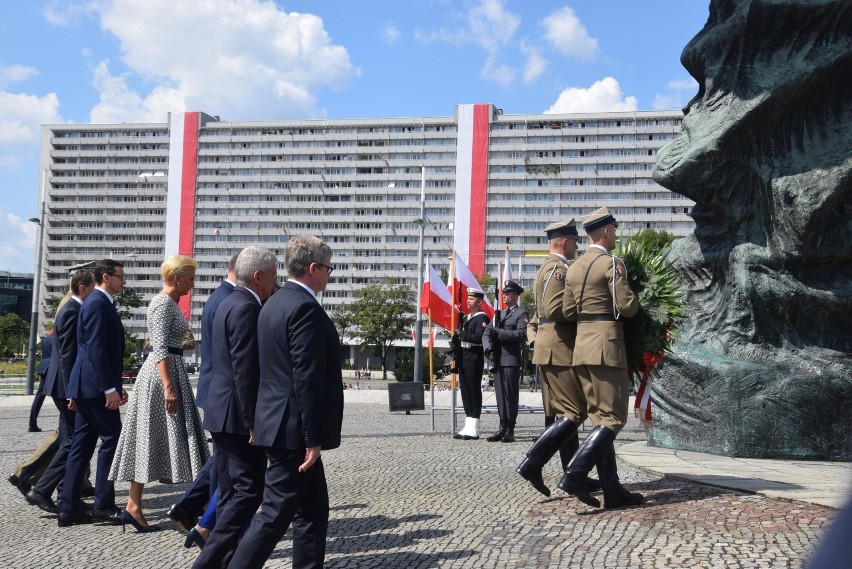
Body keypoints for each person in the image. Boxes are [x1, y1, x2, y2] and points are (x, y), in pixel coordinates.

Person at [228, 235, 344, 569]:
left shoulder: (273, 303)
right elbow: (303, 377)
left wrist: (254, 420)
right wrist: (312, 438)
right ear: (312, 268)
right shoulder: (304, 308)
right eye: (328, 268)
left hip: (277, 423)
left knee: (312, 512)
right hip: (293, 431)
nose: (330, 275)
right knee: (274, 516)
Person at [109, 255, 209, 532]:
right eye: (190, 277)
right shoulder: (163, 303)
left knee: (152, 436)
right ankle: (190, 506)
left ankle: (137, 505)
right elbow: (160, 348)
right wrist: (168, 386)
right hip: (161, 374)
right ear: (177, 278)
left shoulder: (169, 303)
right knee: (154, 435)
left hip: (168, 370)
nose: (192, 282)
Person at [192, 246, 277, 567]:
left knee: (230, 491)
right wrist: (253, 420)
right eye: (272, 275)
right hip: (236, 416)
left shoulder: (227, 301)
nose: (274, 282)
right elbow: (244, 370)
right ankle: (209, 560)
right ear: (258, 276)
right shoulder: (246, 308)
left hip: (220, 409)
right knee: (249, 491)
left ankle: (223, 560)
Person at [556, 207, 644, 509]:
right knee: (614, 418)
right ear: (606, 231)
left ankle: (612, 488)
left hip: (581, 346)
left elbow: (568, 311)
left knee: (599, 419)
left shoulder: (575, 266)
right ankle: (575, 475)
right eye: (614, 230)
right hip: (607, 345)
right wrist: (639, 301)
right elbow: (626, 305)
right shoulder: (611, 263)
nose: (615, 235)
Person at [517, 220, 602, 497]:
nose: (578, 246)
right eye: (575, 241)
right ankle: (533, 463)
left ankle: (571, 472)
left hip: (551, 346)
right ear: (564, 241)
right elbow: (554, 310)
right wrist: (586, 311)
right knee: (574, 412)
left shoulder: (547, 267)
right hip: (560, 347)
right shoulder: (558, 269)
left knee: (565, 412)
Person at [168, 253, 239, 533]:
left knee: (221, 458)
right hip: (223, 391)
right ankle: (205, 517)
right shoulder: (229, 299)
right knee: (226, 462)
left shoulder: (219, 296)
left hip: (215, 388)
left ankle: (190, 508)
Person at [59, 259, 128, 527]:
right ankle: (104, 504)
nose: (123, 281)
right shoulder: (98, 303)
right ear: (105, 277)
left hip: (86, 386)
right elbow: (96, 350)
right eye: (120, 276)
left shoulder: (97, 303)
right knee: (111, 439)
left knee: (82, 445)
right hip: (95, 388)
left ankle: (69, 507)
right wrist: (109, 389)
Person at [24, 270, 96, 514]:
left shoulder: (73, 309)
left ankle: (61, 491)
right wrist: (71, 392)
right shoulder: (72, 310)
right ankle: (43, 490)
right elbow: (68, 354)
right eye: (93, 288)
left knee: (71, 439)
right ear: (83, 288)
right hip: (65, 387)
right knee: (73, 441)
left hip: (64, 386)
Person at [483, 281, 529, 443]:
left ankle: (510, 429)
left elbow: (521, 335)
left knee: (510, 395)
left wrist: (500, 332)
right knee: (500, 396)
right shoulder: (499, 314)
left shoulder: (521, 314)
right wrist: (488, 348)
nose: (504, 295)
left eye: (507, 293)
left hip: (510, 359)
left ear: (515, 296)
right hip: (497, 359)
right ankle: (502, 427)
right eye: (503, 293)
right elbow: (486, 333)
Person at [452, 288, 489, 440]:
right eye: (468, 298)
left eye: (471, 298)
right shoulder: (467, 318)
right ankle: (468, 425)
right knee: (465, 391)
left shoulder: (482, 318)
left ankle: (474, 428)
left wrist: (462, 334)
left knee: (473, 390)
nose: (468, 300)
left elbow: (480, 338)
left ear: (479, 302)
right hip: (464, 355)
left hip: (474, 355)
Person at [28, 329, 54, 432]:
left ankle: (32, 423)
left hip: (44, 368)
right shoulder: (58, 338)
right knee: (62, 397)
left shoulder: (46, 339)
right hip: (54, 369)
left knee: (39, 397)